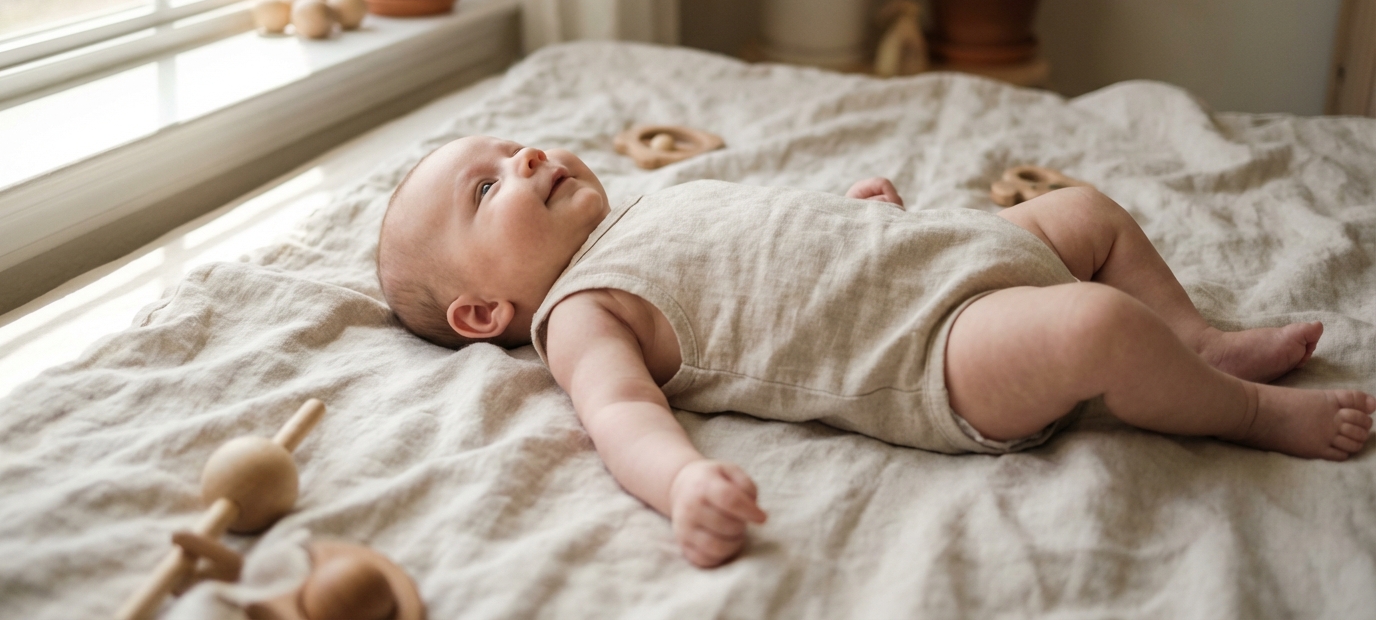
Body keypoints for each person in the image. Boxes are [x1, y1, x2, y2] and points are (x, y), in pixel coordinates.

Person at [377, 136, 1375, 568]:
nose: (529, 160)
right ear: (479, 313)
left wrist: (850, 218)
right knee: (1093, 330)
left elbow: (762, 245)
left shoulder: (652, 203)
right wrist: (681, 486)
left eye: (514, 146)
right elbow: (620, 417)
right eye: (485, 190)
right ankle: (1244, 413)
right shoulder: (582, 312)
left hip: (949, 252)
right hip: (933, 348)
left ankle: (1197, 341)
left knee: (1083, 211)